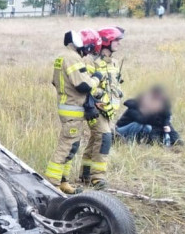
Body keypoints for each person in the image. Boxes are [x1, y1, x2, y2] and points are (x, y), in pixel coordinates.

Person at [44, 29, 101, 194]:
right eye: (89, 48)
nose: (88, 53)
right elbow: (83, 85)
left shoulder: (63, 57)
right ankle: (52, 184)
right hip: (72, 111)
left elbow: (57, 83)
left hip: (70, 109)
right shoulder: (72, 58)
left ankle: (63, 182)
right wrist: (97, 78)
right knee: (65, 147)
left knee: (72, 147)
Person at [80, 26, 126, 188]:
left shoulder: (114, 62)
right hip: (95, 108)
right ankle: (97, 177)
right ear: (106, 41)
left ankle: (85, 174)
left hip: (109, 110)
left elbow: (114, 84)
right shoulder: (91, 61)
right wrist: (98, 97)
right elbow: (86, 84)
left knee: (95, 140)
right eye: (116, 40)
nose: (119, 44)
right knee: (105, 138)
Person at [117, 86, 182, 145]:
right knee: (141, 125)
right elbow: (142, 120)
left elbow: (167, 115)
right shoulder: (134, 108)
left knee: (151, 127)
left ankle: (176, 142)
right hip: (120, 130)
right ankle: (128, 142)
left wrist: (166, 124)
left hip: (141, 126)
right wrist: (159, 122)